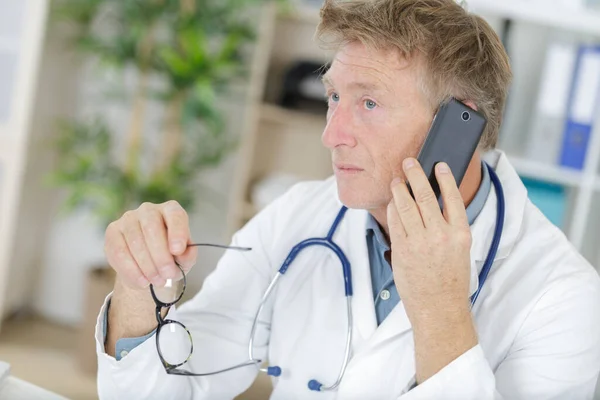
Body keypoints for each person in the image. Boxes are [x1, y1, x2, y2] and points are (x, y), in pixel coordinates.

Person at [95, 0, 600, 398]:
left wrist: (441, 308)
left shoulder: (566, 299)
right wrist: (138, 286)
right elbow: (162, 389)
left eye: (369, 102)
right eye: (335, 96)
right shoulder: (299, 215)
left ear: (458, 127)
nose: (332, 135)